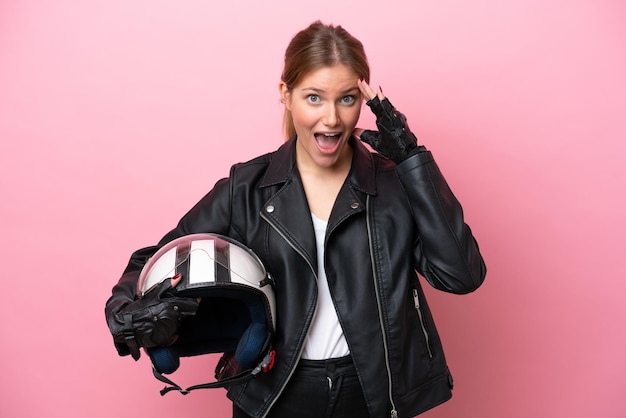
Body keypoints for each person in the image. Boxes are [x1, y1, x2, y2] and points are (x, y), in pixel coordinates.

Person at [105, 20, 486, 418]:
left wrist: (412, 161)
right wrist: (125, 310)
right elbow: (152, 258)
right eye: (315, 98)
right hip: (276, 392)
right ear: (285, 94)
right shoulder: (245, 188)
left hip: (371, 394)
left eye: (347, 99)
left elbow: (461, 275)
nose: (333, 119)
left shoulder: (395, 184)